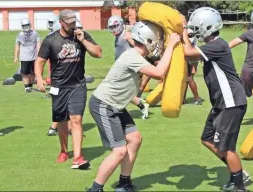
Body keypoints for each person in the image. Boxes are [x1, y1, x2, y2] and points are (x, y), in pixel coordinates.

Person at [85, 20, 180, 192]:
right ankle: (95, 188)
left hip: (116, 106)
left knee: (135, 139)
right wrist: (172, 45)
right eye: (156, 40)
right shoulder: (133, 57)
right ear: (147, 40)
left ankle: (124, 182)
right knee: (119, 150)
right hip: (103, 105)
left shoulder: (137, 56)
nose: (158, 43)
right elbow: (159, 74)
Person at [183, 7, 249, 191]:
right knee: (207, 138)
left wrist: (182, 34)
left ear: (206, 26)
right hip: (222, 104)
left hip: (231, 103)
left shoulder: (217, 45)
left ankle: (239, 186)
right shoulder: (213, 46)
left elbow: (187, 52)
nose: (194, 30)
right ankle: (236, 171)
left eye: (196, 27)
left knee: (227, 148)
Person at [35, 9, 102, 169]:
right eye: (70, 23)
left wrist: (83, 40)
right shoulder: (50, 40)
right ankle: (64, 151)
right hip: (58, 87)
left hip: (78, 85)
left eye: (74, 22)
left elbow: (98, 53)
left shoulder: (82, 35)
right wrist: (38, 78)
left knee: (76, 119)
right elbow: (39, 61)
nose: (73, 25)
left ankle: (78, 157)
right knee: (62, 121)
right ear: (62, 23)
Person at [107, 15, 149, 119]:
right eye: (111, 27)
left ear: (121, 24)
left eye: (115, 26)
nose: (113, 29)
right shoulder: (118, 36)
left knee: (119, 90)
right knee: (121, 91)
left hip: (129, 69)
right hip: (121, 68)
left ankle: (120, 110)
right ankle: (141, 105)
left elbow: (139, 49)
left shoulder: (126, 35)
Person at [14, 18, 41, 93]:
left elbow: (38, 44)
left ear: (30, 24)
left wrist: (39, 55)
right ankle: (26, 87)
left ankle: (30, 87)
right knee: (25, 73)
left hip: (34, 57)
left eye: (27, 25)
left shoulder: (35, 33)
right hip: (24, 58)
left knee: (33, 73)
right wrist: (16, 56)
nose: (26, 27)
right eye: (24, 25)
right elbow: (17, 46)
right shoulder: (20, 35)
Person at [184, 27, 204, 105]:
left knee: (189, 78)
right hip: (188, 57)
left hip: (192, 58)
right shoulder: (185, 30)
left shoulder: (188, 31)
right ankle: (183, 99)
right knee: (185, 79)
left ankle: (197, 99)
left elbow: (190, 46)